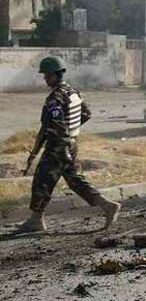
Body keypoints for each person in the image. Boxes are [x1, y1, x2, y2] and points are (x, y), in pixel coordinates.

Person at [17, 56, 121, 232]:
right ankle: (107, 205)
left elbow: (52, 127)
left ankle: (36, 220)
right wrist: (71, 131)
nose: (44, 79)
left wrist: (53, 147)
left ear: (56, 75)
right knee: (74, 181)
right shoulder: (74, 92)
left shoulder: (55, 98)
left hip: (58, 146)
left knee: (42, 181)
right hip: (71, 144)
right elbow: (86, 114)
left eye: (47, 75)